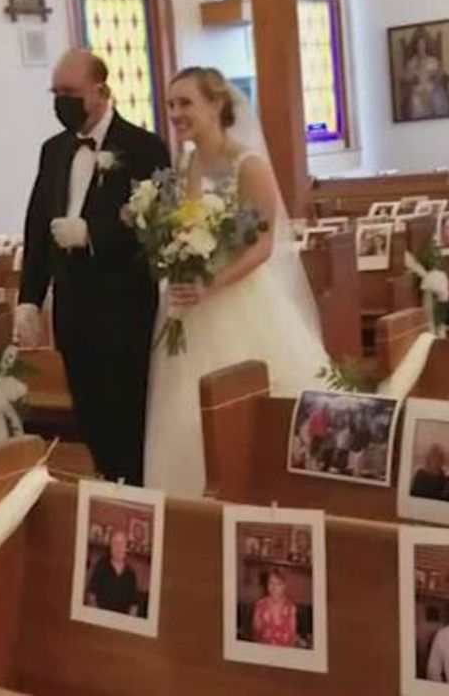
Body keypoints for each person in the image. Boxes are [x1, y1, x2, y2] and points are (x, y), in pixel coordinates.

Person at [141, 67, 332, 496]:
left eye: (185, 103)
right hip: (192, 305)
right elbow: (183, 227)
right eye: (171, 105)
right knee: (184, 410)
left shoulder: (248, 165)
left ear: (216, 104)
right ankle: (194, 501)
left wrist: (213, 283)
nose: (175, 113)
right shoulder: (187, 162)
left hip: (238, 296)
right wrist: (173, 259)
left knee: (251, 403)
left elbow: (262, 247)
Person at [15, 49, 170, 486]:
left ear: (100, 92)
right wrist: (28, 300)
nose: (61, 101)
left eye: (71, 92)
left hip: (124, 307)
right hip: (73, 311)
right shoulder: (54, 151)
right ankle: (107, 483)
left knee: (128, 412)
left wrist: (93, 234)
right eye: (56, 92)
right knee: (90, 412)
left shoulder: (144, 147)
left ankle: (137, 492)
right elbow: (37, 230)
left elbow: (158, 226)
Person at [85, 530, 140, 616]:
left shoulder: (131, 574)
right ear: (110, 546)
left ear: (126, 547)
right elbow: (91, 596)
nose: (119, 547)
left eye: (122, 543)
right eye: (115, 543)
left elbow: (134, 606)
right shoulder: (101, 566)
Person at [251, 568, 299, 647]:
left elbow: (292, 636)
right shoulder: (260, 605)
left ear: (284, 586)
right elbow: (255, 634)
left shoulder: (291, 607)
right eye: (271, 583)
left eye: (278, 584)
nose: (274, 587)